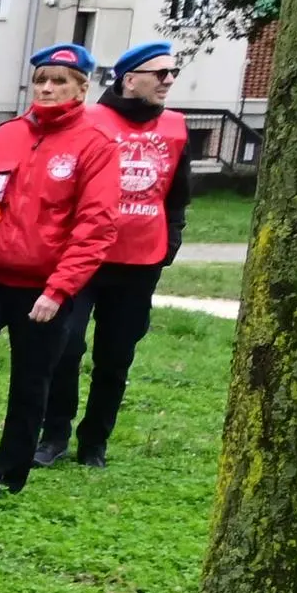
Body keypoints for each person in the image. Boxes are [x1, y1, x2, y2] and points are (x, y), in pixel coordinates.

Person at [0, 43, 122, 506]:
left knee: (31, 380)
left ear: (81, 87)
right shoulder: (7, 135)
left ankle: (8, 476)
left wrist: (59, 289)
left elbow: (95, 227)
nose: (48, 89)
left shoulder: (94, 147)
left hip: (43, 285)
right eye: (41, 80)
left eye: (59, 81)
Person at [36, 41, 194, 470]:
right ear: (130, 79)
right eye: (160, 73)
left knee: (116, 354)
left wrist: (170, 242)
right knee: (65, 346)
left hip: (140, 261)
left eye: (172, 73)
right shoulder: (88, 120)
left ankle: (95, 441)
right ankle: (54, 435)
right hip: (84, 258)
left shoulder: (177, 128)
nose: (169, 81)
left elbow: (177, 197)